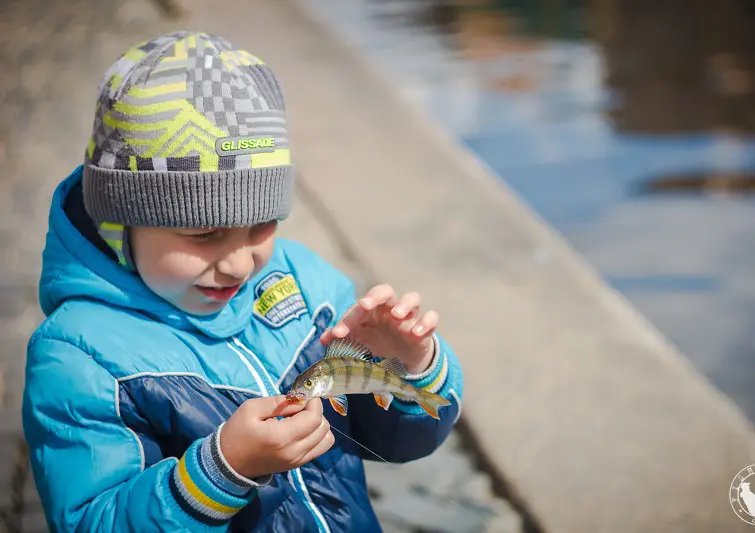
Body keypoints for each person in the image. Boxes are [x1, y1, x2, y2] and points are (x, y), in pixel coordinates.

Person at [22, 31, 463, 532]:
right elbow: (91, 522)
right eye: (203, 233)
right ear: (119, 222)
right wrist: (218, 474)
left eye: (260, 227)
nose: (238, 264)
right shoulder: (81, 358)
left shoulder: (307, 282)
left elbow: (401, 441)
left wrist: (411, 365)